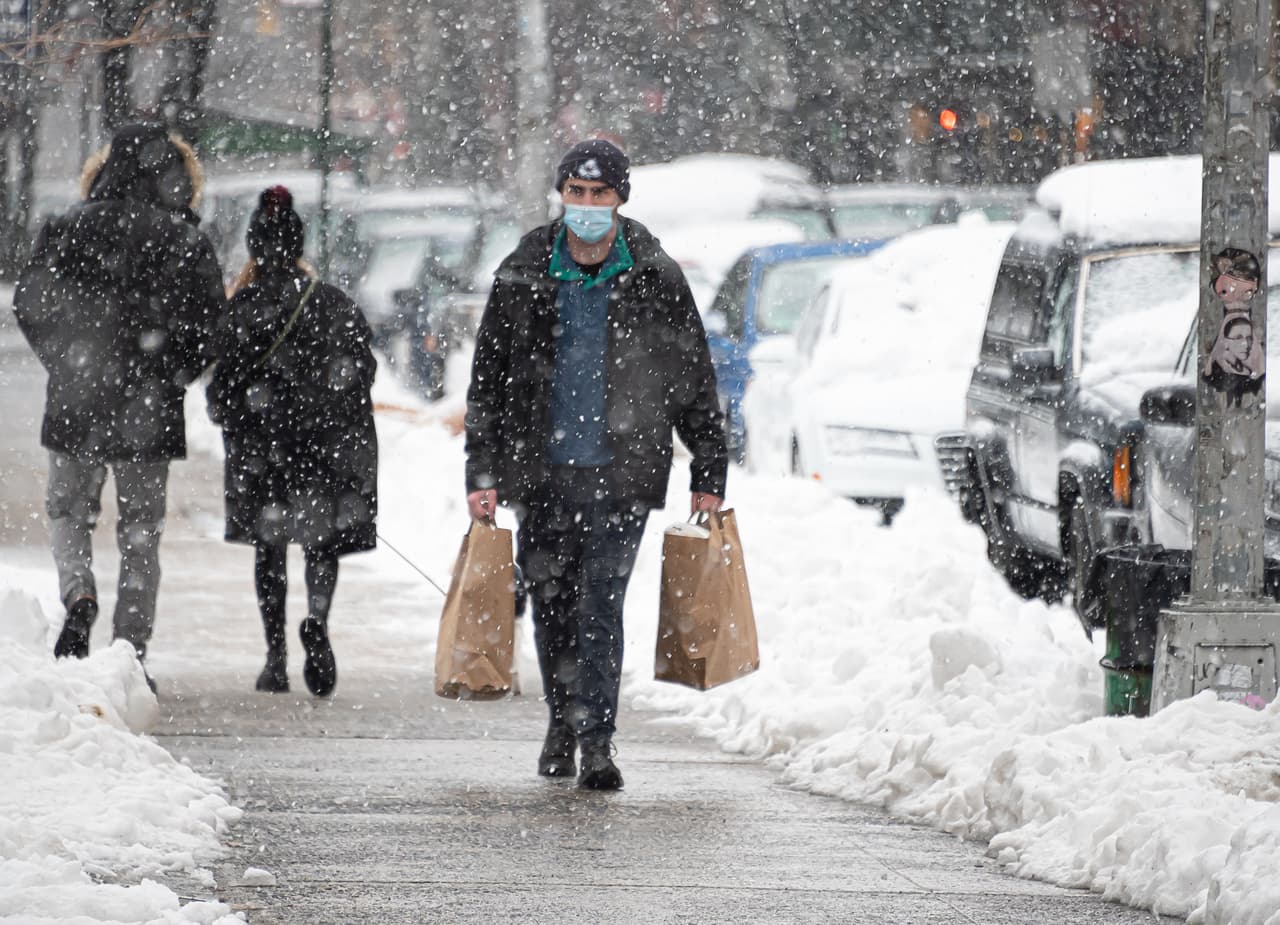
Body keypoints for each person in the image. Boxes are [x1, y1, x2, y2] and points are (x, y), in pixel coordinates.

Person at [464, 139, 728, 790]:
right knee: (552, 602)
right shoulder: (525, 268)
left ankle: (598, 740)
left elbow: (692, 374)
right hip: (543, 470)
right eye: (575, 194)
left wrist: (709, 472)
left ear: (619, 199)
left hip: (624, 469)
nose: (585, 206)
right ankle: (562, 719)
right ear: (561, 195)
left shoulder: (654, 273)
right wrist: (482, 469)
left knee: (600, 603)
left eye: (598, 195)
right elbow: (488, 380)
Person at [12, 123, 227, 674]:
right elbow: (209, 325)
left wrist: (66, 360)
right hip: (149, 408)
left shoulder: (65, 230)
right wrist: (173, 371)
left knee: (68, 510)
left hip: (77, 397)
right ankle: (130, 647)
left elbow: (30, 302)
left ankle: (79, 596)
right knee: (140, 531)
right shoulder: (184, 240)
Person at [207, 187, 378, 697]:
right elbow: (362, 375)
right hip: (322, 451)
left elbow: (220, 397)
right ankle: (318, 620)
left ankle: (275, 655)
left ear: (254, 248)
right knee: (320, 543)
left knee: (270, 548)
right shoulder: (333, 303)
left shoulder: (241, 310)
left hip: (265, 454)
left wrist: (254, 415)